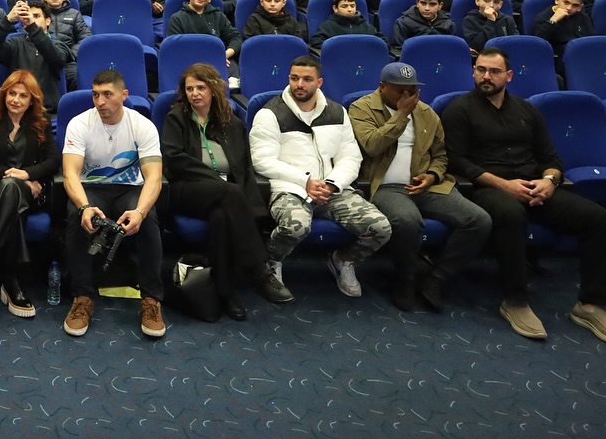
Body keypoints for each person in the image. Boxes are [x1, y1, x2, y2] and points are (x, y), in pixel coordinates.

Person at [442, 47, 606, 341]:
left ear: (509, 75)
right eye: (480, 70)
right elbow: (457, 161)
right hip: (486, 189)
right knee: (511, 213)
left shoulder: (527, 110)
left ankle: (589, 303)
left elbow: (551, 158)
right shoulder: (459, 109)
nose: (485, 77)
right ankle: (515, 300)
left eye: (493, 71)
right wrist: (505, 185)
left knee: (597, 217)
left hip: (534, 186)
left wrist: (549, 182)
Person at [348, 62, 491, 313]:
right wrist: (402, 115)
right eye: (400, 91)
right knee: (407, 220)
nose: (407, 97)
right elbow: (371, 145)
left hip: (426, 186)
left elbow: (441, 155)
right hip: (386, 186)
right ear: (382, 88)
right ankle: (405, 279)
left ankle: (436, 277)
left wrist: (433, 176)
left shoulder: (426, 113)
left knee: (478, 220)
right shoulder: (361, 108)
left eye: (412, 91)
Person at [249, 56, 392, 298]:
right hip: (290, 188)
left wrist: (332, 184)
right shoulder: (270, 114)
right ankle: (271, 261)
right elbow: (262, 160)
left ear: (319, 82)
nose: (299, 84)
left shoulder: (337, 112)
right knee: (295, 227)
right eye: (294, 78)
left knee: (381, 227)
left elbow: (351, 158)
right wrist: (305, 181)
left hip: (332, 189)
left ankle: (343, 260)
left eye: (307, 79)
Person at [161, 64, 293, 318]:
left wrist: (253, 207)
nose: (195, 93)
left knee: (221, 217)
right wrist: (215, 180)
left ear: (213, 89)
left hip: (224, 194)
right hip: (185, 190)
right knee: (229, 193)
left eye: (201, 87)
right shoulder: (176, 118)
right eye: (189, 88)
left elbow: (243, 168)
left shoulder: (231, 123)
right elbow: (174, 159)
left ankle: (224, 294)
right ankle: (259, 270)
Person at [59, 69, 167, 339]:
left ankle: (151, 300)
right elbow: (70, 173)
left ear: (124, 95)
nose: (100, 101)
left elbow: (154, 176)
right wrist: (84, 207)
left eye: (108, 94)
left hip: (129, 188)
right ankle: (82, 297)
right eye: (96, 94)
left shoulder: (142, 125)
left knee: (149, 219)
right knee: (76, 217)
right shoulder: (79, 123)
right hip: (91, 187)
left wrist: (140, 211)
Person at [0, 70, 60, 318]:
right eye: (11, 94)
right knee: (10, 190)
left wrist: (26, 175)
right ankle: (11, 281)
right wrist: (14, 176)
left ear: (32, 100)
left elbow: (52, 162)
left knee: (13, 192)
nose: (15, 100)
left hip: (28, 192)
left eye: (22, 96)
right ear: (4, 95)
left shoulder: (41, 124)